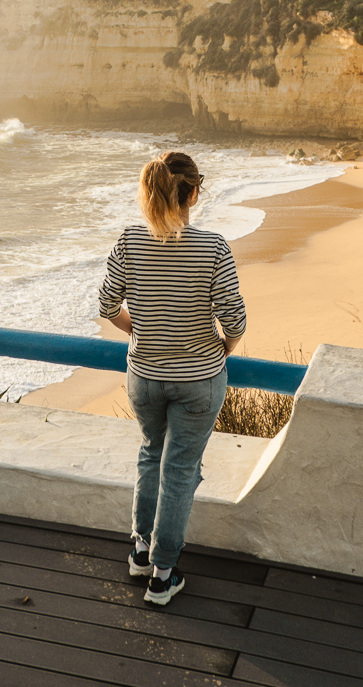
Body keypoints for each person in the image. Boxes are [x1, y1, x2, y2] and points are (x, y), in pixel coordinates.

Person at [99, 150, 246, 606]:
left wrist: (138, 330)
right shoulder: (213, 247)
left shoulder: (129, 240)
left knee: (150, 455)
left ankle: (140, 552)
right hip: (198, 380)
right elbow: (235, 321)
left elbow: (106, 306)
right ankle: (162, 576)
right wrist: (221, 350)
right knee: (180, 472)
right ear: (193, 192)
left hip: (143, 376)